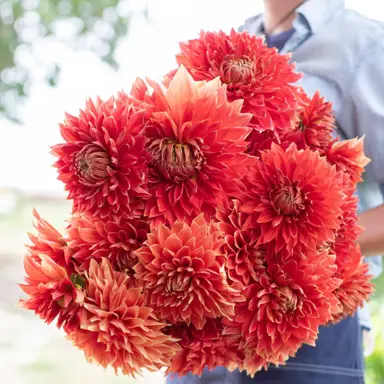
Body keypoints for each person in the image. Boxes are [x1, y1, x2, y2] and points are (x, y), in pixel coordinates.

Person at [167, 1, 384, 383]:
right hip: (198, 319)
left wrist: (302, 248)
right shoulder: (235, 39)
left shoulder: (365, 45)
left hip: (305, 321)